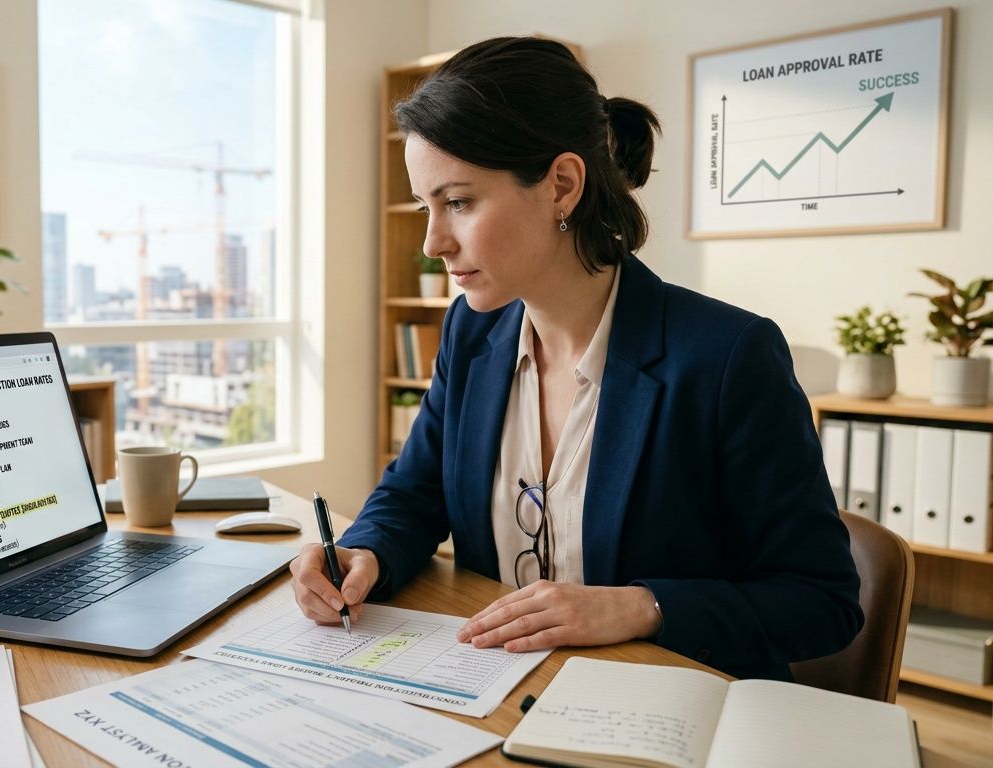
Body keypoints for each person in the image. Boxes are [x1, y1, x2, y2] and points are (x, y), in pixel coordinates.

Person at [289, 36, 861, 681]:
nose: (432, 242)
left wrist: (642, 607)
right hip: (498, 686)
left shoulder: (728, 357)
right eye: (427, 206)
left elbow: (822, 602)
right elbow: (415, 493)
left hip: (661, 705)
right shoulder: (472, 335)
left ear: (562, 184)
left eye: (459, 202)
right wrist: (365, 551)